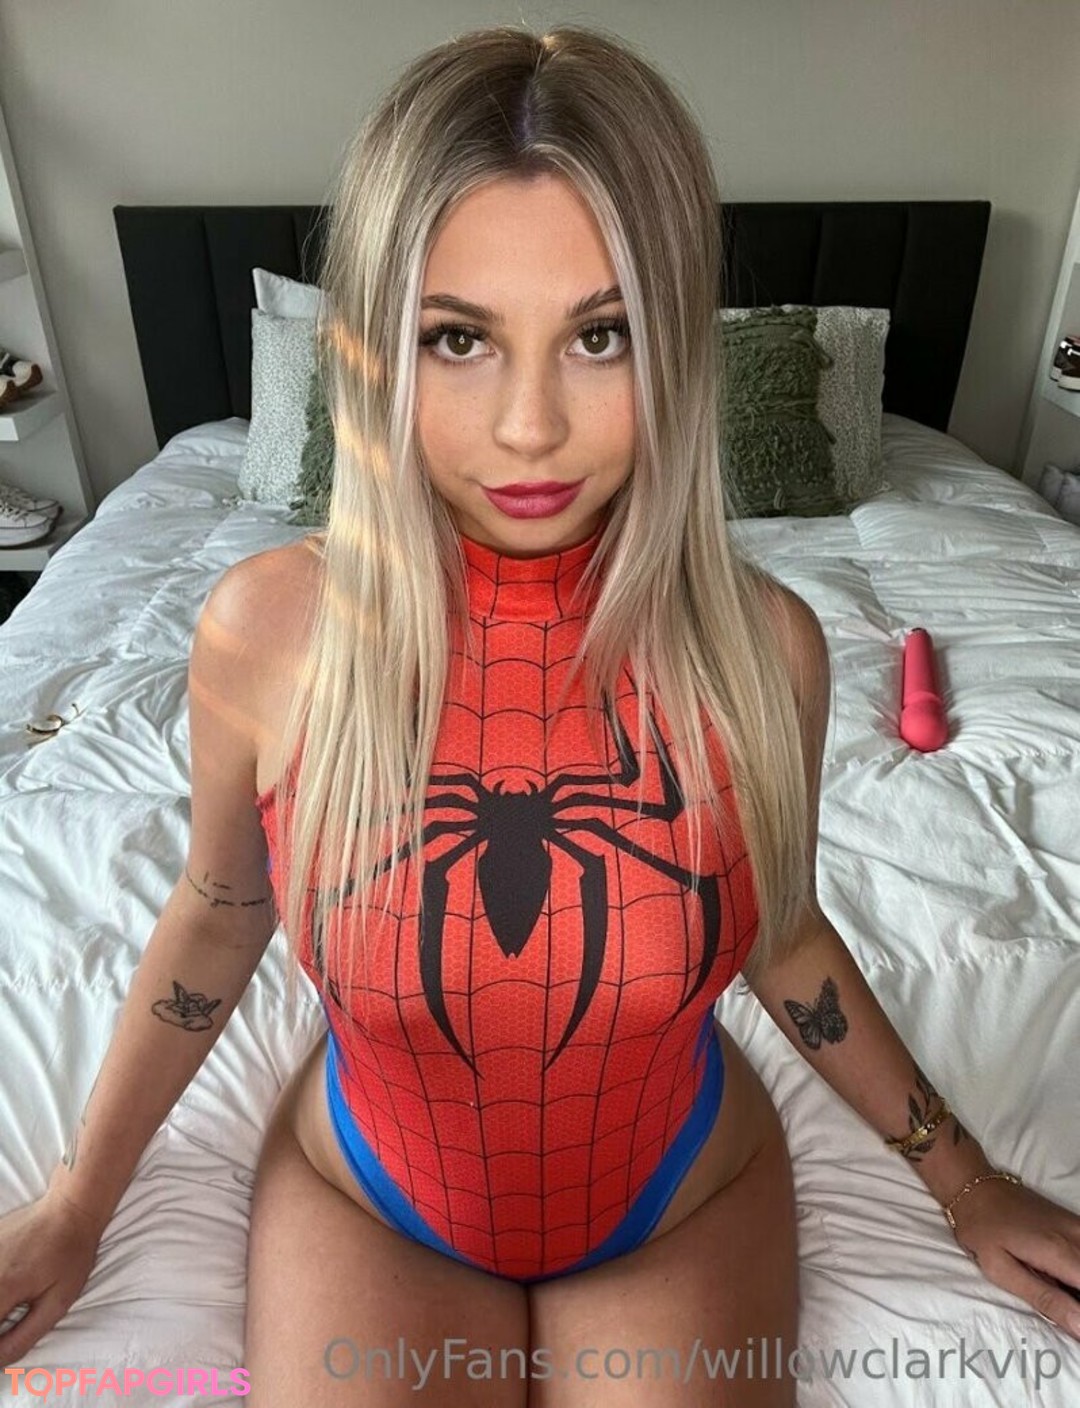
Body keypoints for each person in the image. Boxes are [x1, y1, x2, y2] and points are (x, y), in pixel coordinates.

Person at [2, 22, 1078, 1406]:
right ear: (374, 350)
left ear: (678, 347)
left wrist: (969, 1184)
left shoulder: (766, 651)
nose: (528, 428)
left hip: (674, 1190)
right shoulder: (264, 634)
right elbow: (219, 908)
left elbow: (785, 931)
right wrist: (79, 1203)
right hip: (375, 1191)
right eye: (459, 338)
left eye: (600, 335)